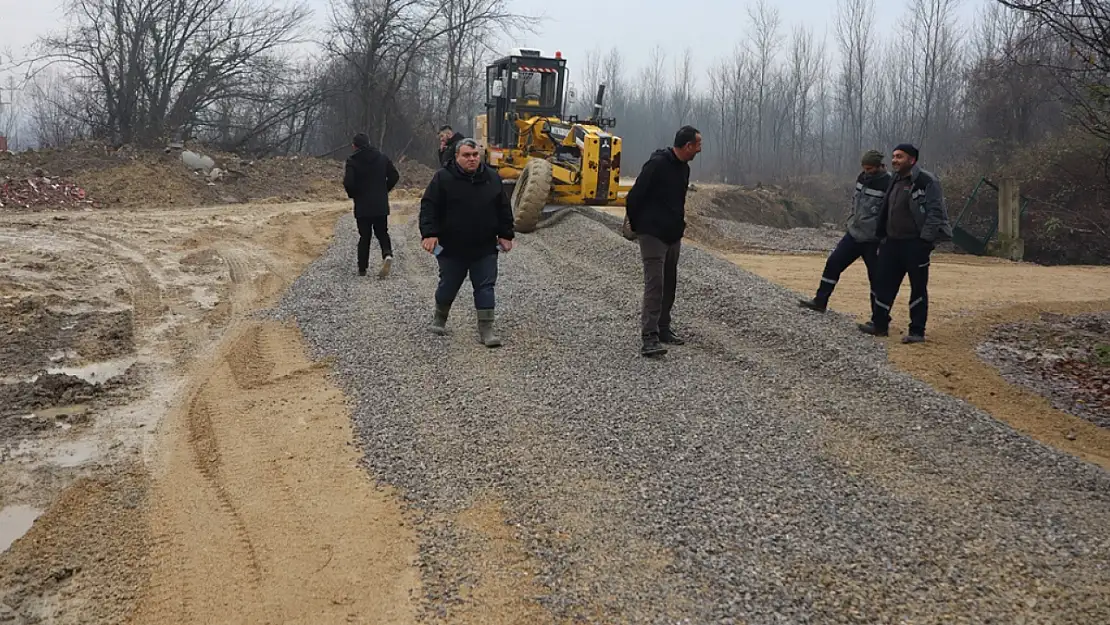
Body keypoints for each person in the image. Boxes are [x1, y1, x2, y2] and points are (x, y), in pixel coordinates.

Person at [419, 138, 515, 347]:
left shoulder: (492, 178)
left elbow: (503, 208)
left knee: (485, 286)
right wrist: (429, 233)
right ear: (457, 157)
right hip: (452, 247)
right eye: (466, 156)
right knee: (448, 284)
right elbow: (429, 207)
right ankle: (439, 318)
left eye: (475, 155)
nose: (472, 159)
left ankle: (487, 329)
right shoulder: (442, 179)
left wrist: (506, 234)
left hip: (485, 246)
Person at [859, 143, 952, 343]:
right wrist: (881, 236)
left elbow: (935, 213)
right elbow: (885, 208)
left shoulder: (927, 180)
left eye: (899, 157)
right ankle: (879, 324)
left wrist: (925, 242)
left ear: (912, 160)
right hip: (891, 243)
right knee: (883, 284)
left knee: (917, 287)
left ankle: (917, 331)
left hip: (914, 244)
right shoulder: (895, 179)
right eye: (893, 156)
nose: (894, 160)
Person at [625, 125, 702, 357]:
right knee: (655, 285)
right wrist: (639, 227)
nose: (700, 150)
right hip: (652, 235)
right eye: (698, 145)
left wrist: (678, 227)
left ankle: (664, 328)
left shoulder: (684, 170)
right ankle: (649, 337)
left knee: (670, 283)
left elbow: (677, 202)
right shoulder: (657, 165)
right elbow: (634, 197)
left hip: (672, 235)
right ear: (687, 145)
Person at [798, 150, 891, 312]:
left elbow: (890, 213)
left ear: (880, 167)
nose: (866, 172)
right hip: (854, 234)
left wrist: (883, 236)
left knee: (877, 279)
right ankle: (820, 301)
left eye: (870, 169)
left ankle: (878, 320)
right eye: (864, 168)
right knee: (833, 263)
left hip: (873, 240)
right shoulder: (862, 178)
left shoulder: (889, 183)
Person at [343, 132, 400, 277]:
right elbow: (394, 175)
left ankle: (362, 268)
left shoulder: (352, 160)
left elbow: (348, 183)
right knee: (382, 232)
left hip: (363, 205)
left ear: (354, 146)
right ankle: (387, 254)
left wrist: (354, 195)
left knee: (364, 236)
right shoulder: (382, 157)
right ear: (368, 143)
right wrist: (384, 190)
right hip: (380, 203)